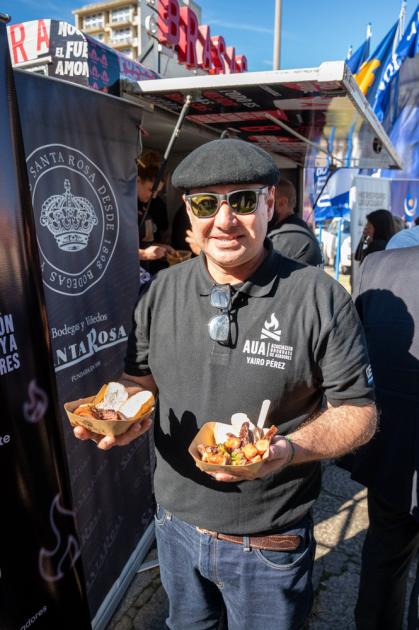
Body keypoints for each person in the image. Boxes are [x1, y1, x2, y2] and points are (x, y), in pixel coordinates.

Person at [74, 139, 376, 630]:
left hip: (270, 543)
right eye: (206, 204)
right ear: (190, 215)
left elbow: (358, 412)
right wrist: (123, 415)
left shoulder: (319, 296)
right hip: (174, 527)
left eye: (241, 200)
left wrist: (288, 449)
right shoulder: (160, 293)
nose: (224, 220)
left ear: (269, 202)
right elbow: (138, 380)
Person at [349, 245, 419, 630]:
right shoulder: (379, 264)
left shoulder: (380, 265)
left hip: (391, 454)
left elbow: (355, 355)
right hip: (392, 452)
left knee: (383, 567)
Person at [267, 177, 323, 266]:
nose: (265, 208)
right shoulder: (299, 229)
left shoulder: (285, 238)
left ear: (282, 203)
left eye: (269, 203)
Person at [137, 160, 173, 273]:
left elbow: (142, 242)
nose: (154, 196)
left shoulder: (143, 207)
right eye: (150, 190)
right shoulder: (124, 209)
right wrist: (145, 254)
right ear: (137, 181)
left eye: (157, 192)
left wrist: (161, 247)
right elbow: (115, 249)